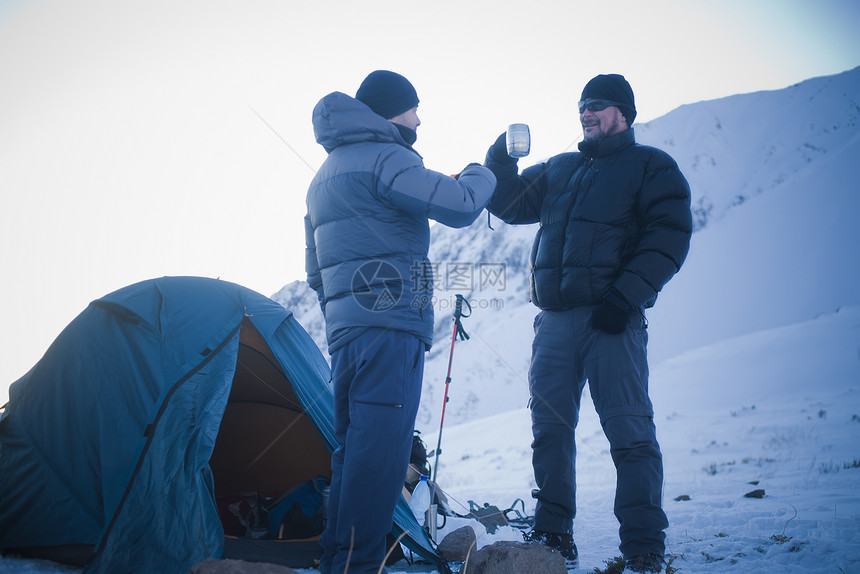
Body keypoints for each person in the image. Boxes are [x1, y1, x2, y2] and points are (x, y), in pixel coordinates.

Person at [483, 74, 692, 573]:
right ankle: (554, 533)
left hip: (613, 320)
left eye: (597, 105)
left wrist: (625, 298)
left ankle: (644, 546)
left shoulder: (651, 167)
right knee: (549, 429)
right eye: (581, 106)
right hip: (554, 323)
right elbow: (510, 204)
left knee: (630, 431)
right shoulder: (560, 168)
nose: (586, 113)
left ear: (624, 112)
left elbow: (669, 236)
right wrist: (499, 158)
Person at [305, 70, 496, 574]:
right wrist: (483, 169)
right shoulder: (387, 156)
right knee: (382, 453)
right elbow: (460, 205)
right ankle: (358, 565)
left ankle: (341, 559)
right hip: (389, 328)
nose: (419, 119)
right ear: (393, 111)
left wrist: (345, 312)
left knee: (353, 450)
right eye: (414, 108)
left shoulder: (324, 176)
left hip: (347, 332)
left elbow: (314, 271)